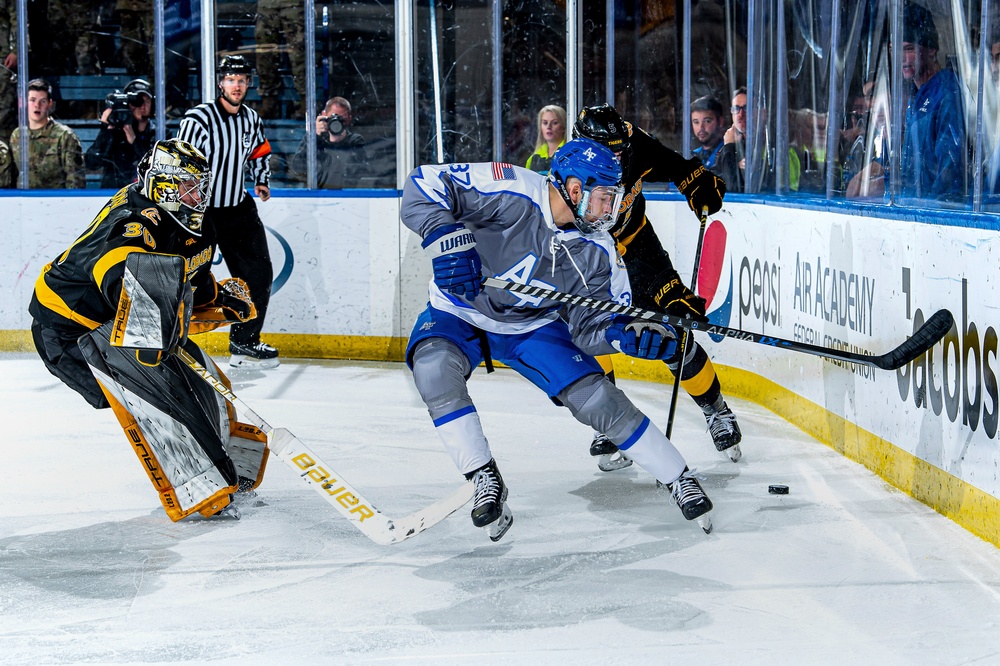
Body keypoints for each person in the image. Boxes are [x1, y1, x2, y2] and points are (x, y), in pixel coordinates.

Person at [402, 137, 714, 541]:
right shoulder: (510, 187)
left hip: (532, 326)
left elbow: (590, 329)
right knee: (433, 369)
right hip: (458, 310)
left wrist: (624, 336)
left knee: (597, 398)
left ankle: (678, 477)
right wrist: (444, 236)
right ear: (573, 188)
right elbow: (422, 184)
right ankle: (483, 477)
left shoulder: (599, 251)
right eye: (604, 197)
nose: (611, 210)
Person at [27, 138, 268, 521]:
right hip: (71, 331)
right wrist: (154, 313)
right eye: (189, 186)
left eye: (200, 186)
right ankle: (201, 490)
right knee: (161, 398)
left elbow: (191, 275)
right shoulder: (135, 223)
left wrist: (215, 297)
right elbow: (117, 271)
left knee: (206, 382)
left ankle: (229, 468)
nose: (198, 195)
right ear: (164, 186)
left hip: (124, 321)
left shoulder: (192, 223)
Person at [572, 104, 742, 469]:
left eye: (621, 149)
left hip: (636, 249)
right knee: (587, 335)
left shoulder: (633, 143)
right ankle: (610, 420)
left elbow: (678, 167)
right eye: (610, 151)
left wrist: (697, 183)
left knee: (673, 327)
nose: (619, 157)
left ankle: (716, 410)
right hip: (590, 259)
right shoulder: (567, 175)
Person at [177, 54, 279, 367]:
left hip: (238, 209)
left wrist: (261, 180)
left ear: (248, 83)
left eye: (242, 80)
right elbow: (184, 160)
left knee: (259, 273)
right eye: (231, 79)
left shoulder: (250, 118)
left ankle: (245, 341)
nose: (236, 85)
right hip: (201, 213)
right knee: (187, 279)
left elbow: (259, 150)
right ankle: (172, 340)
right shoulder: (199, 118)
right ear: (221, 83)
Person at [899, 1, 967, 202]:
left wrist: (926, 211)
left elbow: (949, 173)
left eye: (909, 48)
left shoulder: (946, 94)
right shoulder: (915, 97)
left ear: (931, 50)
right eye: (897, 49)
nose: (903, 58)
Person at [85, 79, 161, 189]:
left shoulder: (159, 133)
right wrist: (105, 131)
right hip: (113, 193)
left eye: (147, 101)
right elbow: (92, 163)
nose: (142, 106)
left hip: (145, 193)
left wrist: (135, 142)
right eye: (137, 102)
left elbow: (156, 168)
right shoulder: (115, 132)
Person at [10, 78, 85, 189]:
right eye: (32, 100)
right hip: (24, 202)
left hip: (56, 201)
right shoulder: (17, 135)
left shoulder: (65, 136)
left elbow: (75, 181)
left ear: (50, 104)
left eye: (43, 101)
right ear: (23, 103)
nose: (37, 105)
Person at [289, 96, 368, 189]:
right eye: (333, 117)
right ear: (324, 115)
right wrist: (314, 136)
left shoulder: (355, 141)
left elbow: (359, 171)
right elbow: (297, 168)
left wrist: (337, 139)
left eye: (342, 119)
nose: (337, 122)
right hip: (317, 195)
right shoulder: (314, 140)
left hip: (346, 196)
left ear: (349, 119)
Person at [255, 0, 305, 119]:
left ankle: (306, 99)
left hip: (294, 4)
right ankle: (268, 100)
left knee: (299, 53)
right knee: (265, 53)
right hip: (267, 6)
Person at [715, 87, 748, 192]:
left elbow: (732, 186)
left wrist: (728, 145)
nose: (740, 114)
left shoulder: (762, 143)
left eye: (746, 108)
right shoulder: (730, 142)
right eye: (736, 109)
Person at [524, 104, 567, 174]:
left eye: (554, 123)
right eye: (545, 123)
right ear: (540, 127)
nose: (548, 127)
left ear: (564, 127)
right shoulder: (533, 158)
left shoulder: (570, 154)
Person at [690, 95, 725, 170]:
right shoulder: (692, 155)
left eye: (707, 121)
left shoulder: (727, 153)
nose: (701, 127)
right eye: (696, 122)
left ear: (720, 122)